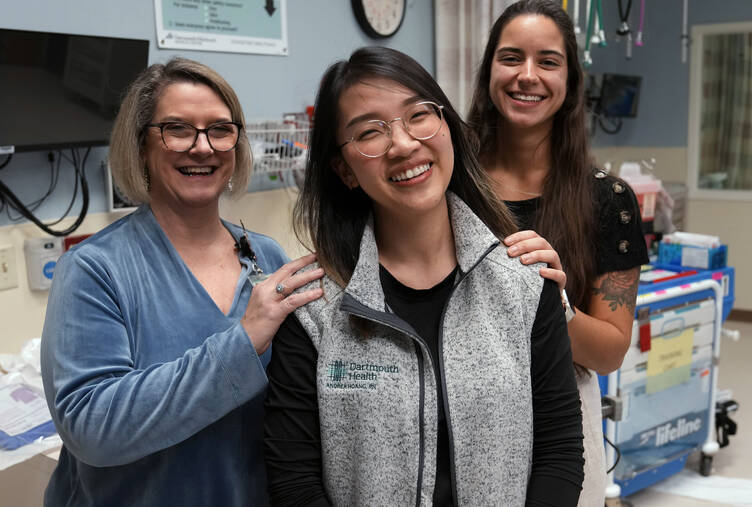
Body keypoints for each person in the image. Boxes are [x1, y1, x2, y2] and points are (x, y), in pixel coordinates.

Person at [263, 46, 584, 506]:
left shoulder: (524, 282)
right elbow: (294, 482)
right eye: (370, 132)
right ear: (344, 170)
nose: (404, 144)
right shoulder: (314, 305)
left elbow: (558, 452)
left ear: (447, 128)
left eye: (418, 115)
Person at [40, 57, 324, 506]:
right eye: (177, 129)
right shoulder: (96, 269)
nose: (203, 147)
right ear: (141, 147)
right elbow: (91, 427)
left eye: (220, 129)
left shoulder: (266, 257)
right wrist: (244, 340)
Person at [468, 1, 649, 504]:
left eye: (548, 61)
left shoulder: (608, 200)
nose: (527, 76)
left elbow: (611, 350)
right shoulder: (450, 184)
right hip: (458, 412)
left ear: (570, 80)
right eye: (511, 58)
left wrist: (553, 304)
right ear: (488, 71)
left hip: (562, 425)